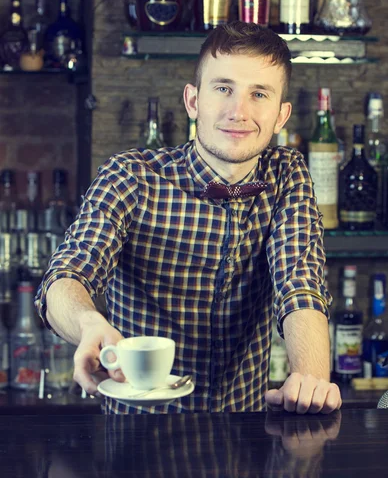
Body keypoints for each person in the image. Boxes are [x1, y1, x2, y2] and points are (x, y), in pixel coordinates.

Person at [35, 21, 342, 415]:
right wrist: (88, 323)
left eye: (259, 93)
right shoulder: (132, 176)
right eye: (224, 88)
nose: (239, 111)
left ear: (281, 116)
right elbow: (67, 275)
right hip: (139, 441)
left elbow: (300, 283)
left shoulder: (286, 174)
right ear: (193, 101)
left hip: (242, 441)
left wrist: (311, 379)